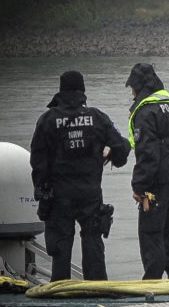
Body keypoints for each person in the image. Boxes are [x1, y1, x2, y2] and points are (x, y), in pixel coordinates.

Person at [30, 70, 131, 281]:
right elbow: (122, 146)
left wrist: (42, 190)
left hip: (58, 196)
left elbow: (38, 162)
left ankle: (60, 294)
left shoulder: (47, 120)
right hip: (90, 193)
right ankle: (97, 293)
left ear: (61, 91)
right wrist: (112, 156)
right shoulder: (97, 117)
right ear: (82, 91)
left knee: (60, 248)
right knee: (93, 242)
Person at [125, 63, 169, 280]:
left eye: (132, 88)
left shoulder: (145, 111)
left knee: (151, 230)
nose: (131, 93)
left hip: (158, 179)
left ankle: (152, 281)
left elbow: (147, 154)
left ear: (139, 87)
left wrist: (140, 187)